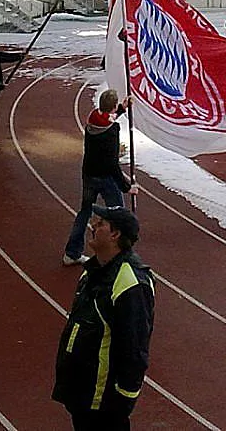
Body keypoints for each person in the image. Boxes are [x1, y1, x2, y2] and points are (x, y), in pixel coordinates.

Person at [54, 204, 154, 431]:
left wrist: (123, 400)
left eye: (100, 224)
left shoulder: (131, 284)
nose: (93, 227)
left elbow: (134, 349)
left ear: (115, 235)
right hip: (81, 393)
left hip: (104, 403)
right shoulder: (92, 271)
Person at [63, 90, 135, 266]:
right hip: (106, 179)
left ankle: (72, 252)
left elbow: (105, 119)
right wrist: (127, 187)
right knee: (119, 216)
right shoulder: (112, 130)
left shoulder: (93, 118)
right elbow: (112, 164)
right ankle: (121, 256)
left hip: (89, 174)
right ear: (111, 107)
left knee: (84, 213)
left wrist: (121, 109)